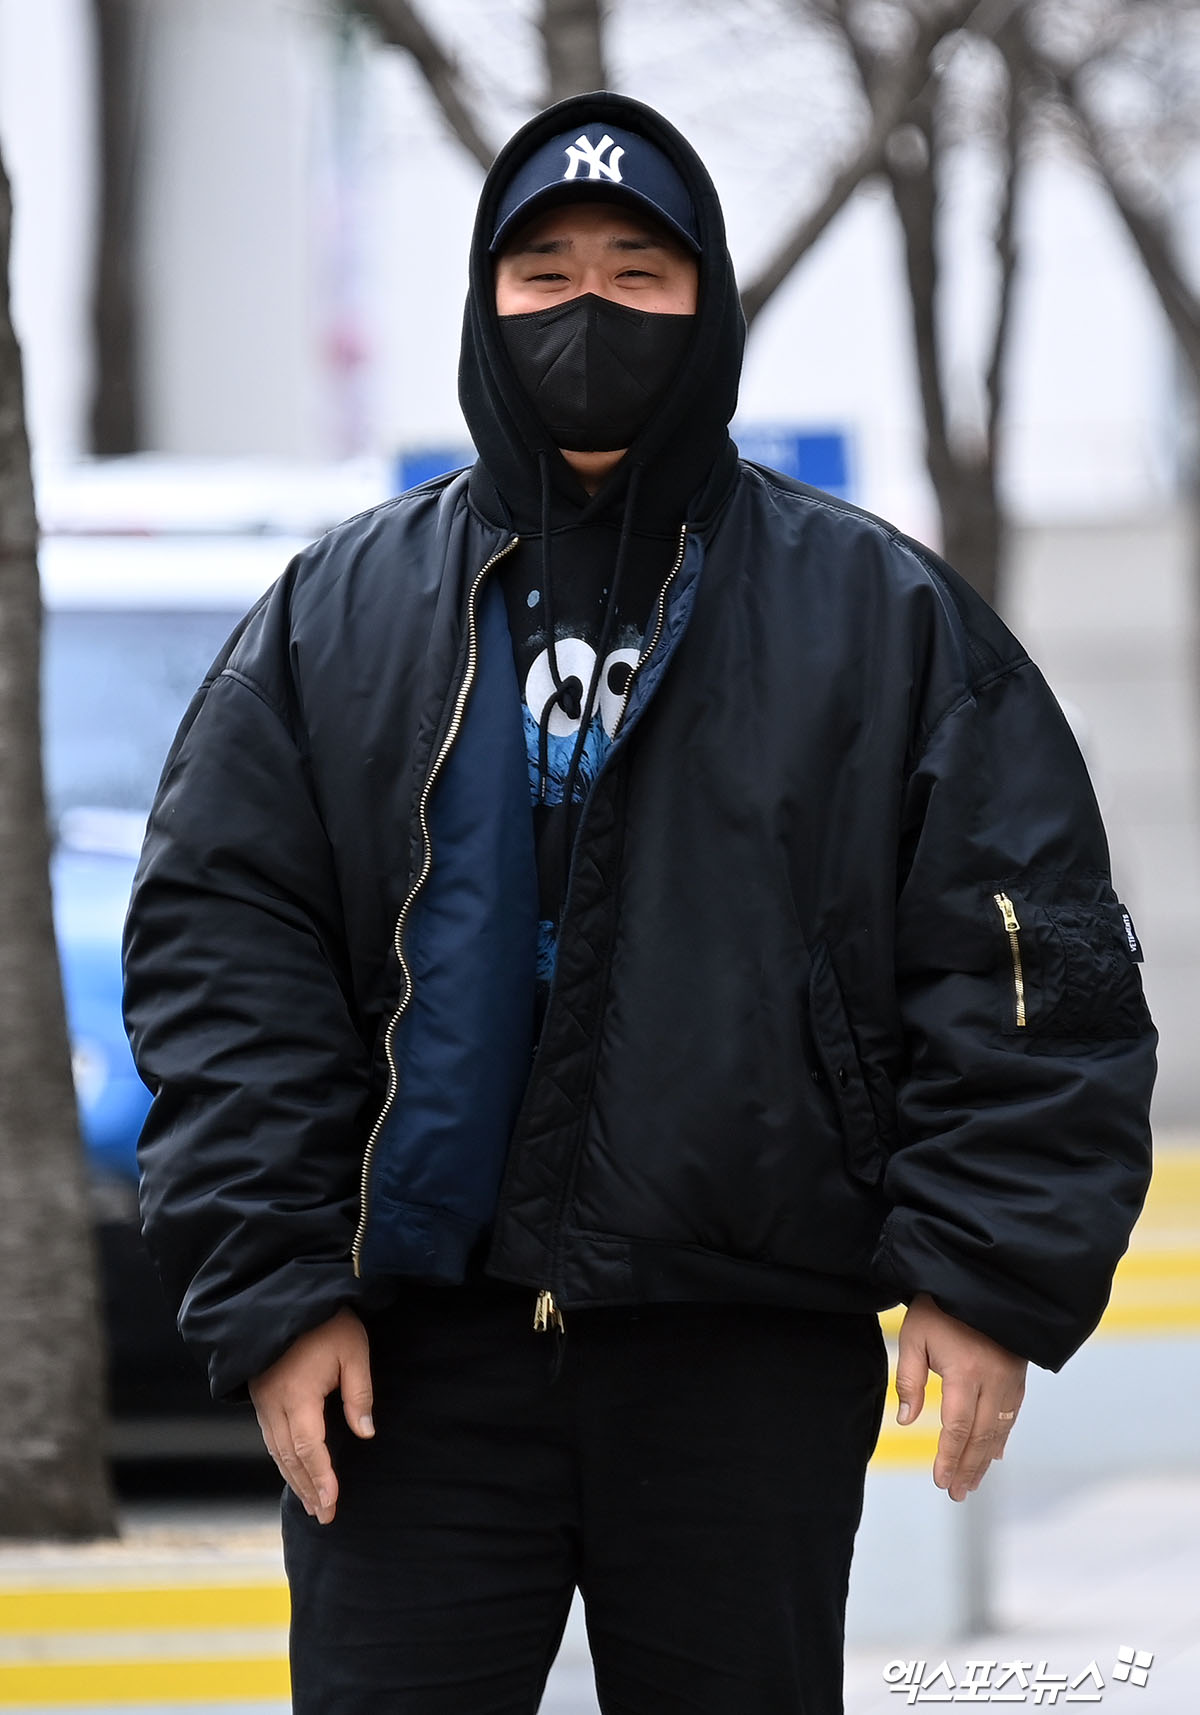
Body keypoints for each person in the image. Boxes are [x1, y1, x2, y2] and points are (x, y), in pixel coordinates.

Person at [123, 91, 1156, 1715]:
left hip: (744, 1357)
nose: (588, 311)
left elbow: (1036, 959)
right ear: (485, 303)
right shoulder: (336, 618)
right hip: (409, 1370)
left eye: (636, 273)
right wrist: (276, 1291)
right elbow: (224, 962)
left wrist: (985, 1271)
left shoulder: (879, 616)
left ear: (707, 301)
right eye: (545, 274)